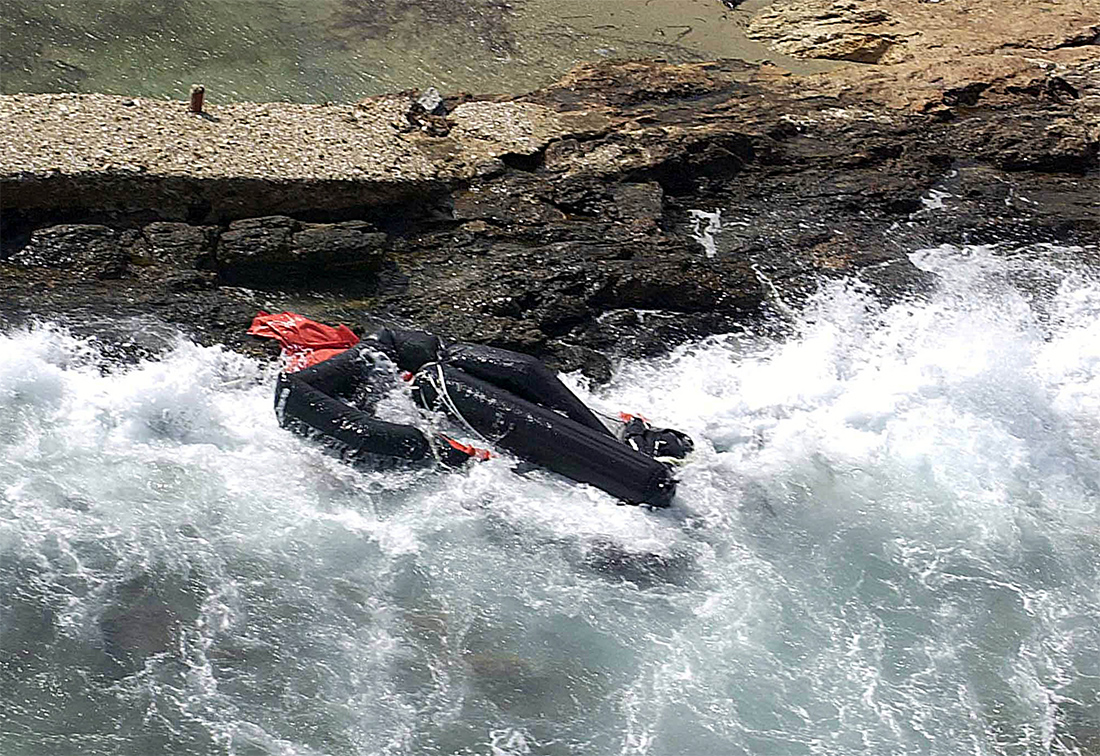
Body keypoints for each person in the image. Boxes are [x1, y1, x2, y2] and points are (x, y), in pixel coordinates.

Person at [274, 327, 693, 507]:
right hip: (430, 456)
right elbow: (293, 399)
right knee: (434, 380)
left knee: (437, 380)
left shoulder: (386, 372)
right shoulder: (325, 382)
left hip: (461, 457)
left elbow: (525, 372)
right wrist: (443, 451)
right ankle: (617, 447)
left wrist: (446, 453)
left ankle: (615, 446)